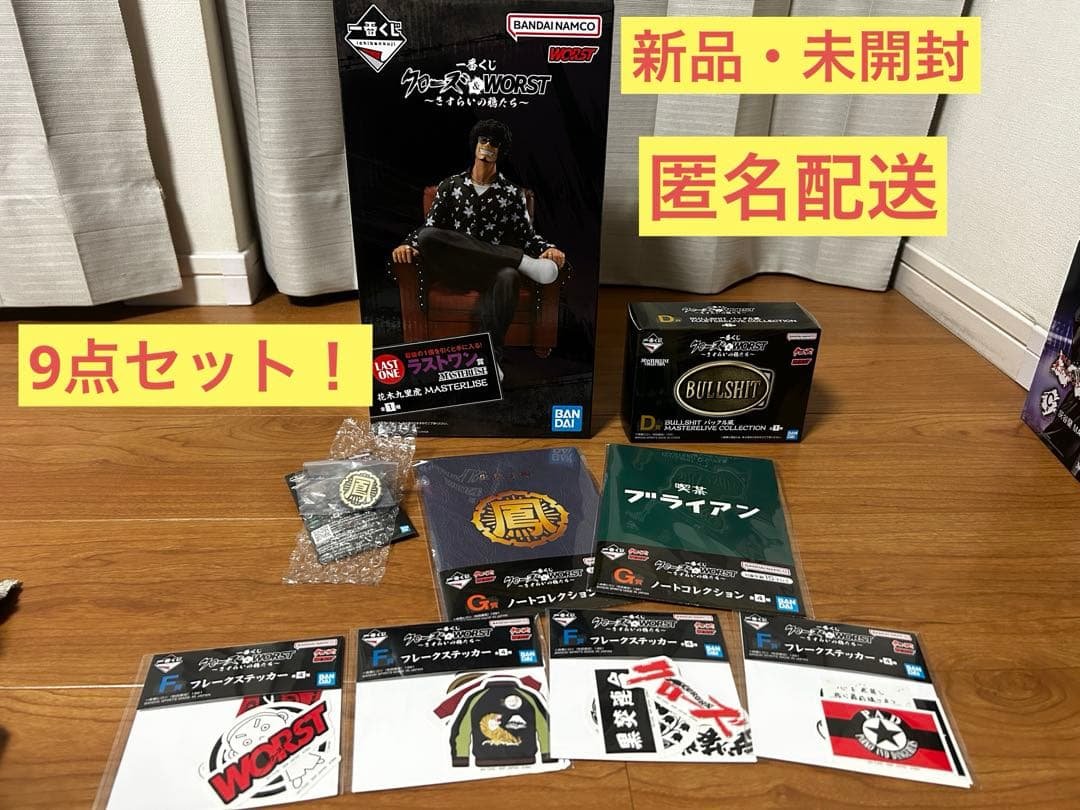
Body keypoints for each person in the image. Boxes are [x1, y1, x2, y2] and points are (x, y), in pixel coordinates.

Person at [391, 119, 566, 380]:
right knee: (427, 237)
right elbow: (430, 228)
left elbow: (526, 235)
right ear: (475, 144)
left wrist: (548, 249)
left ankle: (490, 359)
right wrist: (409, 244)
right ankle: (520, 260)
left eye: (494, 143)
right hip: (455, 269)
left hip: (492, 271)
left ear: (500, 151)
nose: (488, 146)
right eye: (484, 140)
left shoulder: (511, 193)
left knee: (509, 275)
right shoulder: (450, 186)